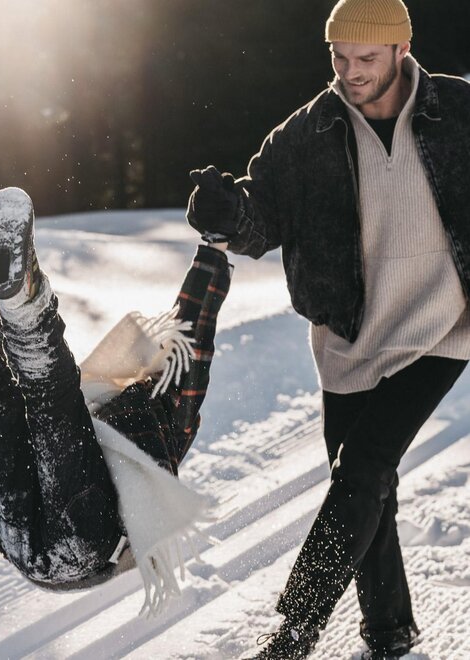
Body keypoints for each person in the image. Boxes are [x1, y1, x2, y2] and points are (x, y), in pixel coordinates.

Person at [185, 0, 470, 657]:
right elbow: (261, 218)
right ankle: (390, 633)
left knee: (362, 468)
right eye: (339, 57)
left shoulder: (456, 111)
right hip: (348, 335)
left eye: (366, 57)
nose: (350, 71)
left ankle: (297, 628)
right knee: (367, 488)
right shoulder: (306, 133)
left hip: (442, 325)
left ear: (402, 49)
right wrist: (226, 213)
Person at [0, 187, 231, 609]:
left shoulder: (170, 408)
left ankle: (19, 298)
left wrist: (214, 248)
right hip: (24, 548)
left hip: (90, 541)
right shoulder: (125, 416)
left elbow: (194, 328)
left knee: (51, 396)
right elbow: (24, 402)